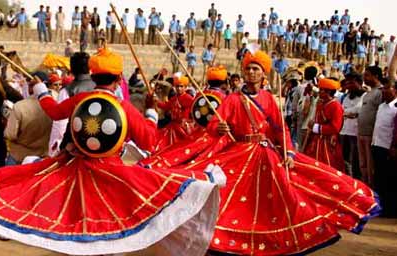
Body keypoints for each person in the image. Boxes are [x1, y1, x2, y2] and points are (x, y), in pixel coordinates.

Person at [0, 47, 222, 256]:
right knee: (108, 227)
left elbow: (53, 110)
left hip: (77, 170)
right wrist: (152, 112)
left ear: (93, 77)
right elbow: (150, 142)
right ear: (119, 79)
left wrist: (40, 91)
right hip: (112, 174)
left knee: (74, 223)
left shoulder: (80, 100)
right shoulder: (125, 108)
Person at [141, 48, 379, 255]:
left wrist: (288, 153)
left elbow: (280, 130)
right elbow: (215, 126)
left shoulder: (268, 99)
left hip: (265, 154)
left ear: (264, 74)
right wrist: (220, 126)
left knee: (280, 196)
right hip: (239, 152)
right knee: (227, 197)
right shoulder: (233, 99)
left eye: (256, 68)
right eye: (249, 68)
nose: (252, 72)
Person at [4, 71, 52, 165]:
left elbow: (10, 134)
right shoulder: (57, 102)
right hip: (44, 157)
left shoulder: (20, 106)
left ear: (30, 86)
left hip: (19, 157)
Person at [302, 78, 345, 171]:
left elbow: (335, 128)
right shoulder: (321, 103)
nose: (319, 92)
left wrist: (315, 127)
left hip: (328, 143)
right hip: (316, 140)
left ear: (328, 92)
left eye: (321, 90)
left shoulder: (336, 106)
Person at [372, 85, 397, 218]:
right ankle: (380, 206)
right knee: (379, 178)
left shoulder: (395, 108)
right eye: (383, 88)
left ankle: (390, 209)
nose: (384, 91)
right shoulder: (381, 106)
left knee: (389, 180)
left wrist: (393, 147)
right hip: (377, 144)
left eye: (388, 88)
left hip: (389, 149)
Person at [357, 66, 383, 186]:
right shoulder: (368, 93)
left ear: (376, 76)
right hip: (361, 133)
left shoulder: (380, 93)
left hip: (371, 135)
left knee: (370, 166)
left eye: (367, 75)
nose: (364, 78)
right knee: (363, 165)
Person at [339, 73, 364, 178]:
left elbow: (358, 110)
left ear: (359, 83)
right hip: (344, 131)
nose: (349, 85)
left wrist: (347, 112)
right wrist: (348, 113)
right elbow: (341, 110)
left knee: (355, 161)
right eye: (348, 83)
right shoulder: (346, 97)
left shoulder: (364, 96)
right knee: (344, 159)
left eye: (351, 83)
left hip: (355, 133)